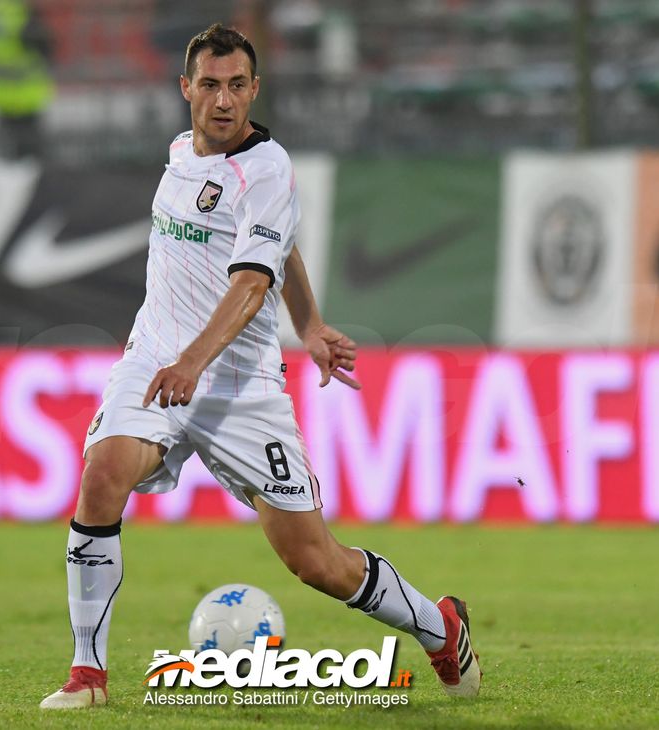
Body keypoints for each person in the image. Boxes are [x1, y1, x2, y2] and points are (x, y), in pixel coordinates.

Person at [40, 24, 481, 710]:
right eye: (210, 85)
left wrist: (199, 359)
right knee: (101, 476)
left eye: (237, 85)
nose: (223, 100)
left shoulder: (268, 168)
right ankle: (86, 675)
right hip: (154, 360)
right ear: (186, 88)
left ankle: (438, 625)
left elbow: (253, 280)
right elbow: (282, 246)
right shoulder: (180, 153)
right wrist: (310, 323)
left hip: (238, 387)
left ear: (255, 89)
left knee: (316, 562)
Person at [0, 0, 55, 159]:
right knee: (31, 154)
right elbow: (45, 47)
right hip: (26, 93)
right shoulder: (22, 11)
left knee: (6, 153)